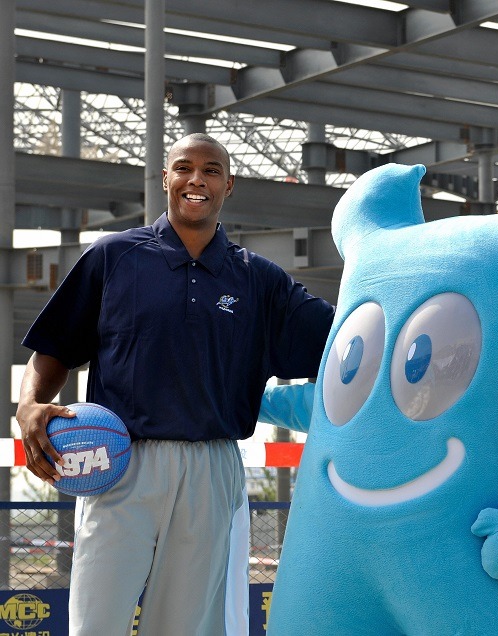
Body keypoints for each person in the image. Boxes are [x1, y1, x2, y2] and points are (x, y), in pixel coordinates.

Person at [16, 133, 335, 636]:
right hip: (119, 465)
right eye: (184, 168)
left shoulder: (259, 280)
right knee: (94, 624)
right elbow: (53, 348)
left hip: (211, 468)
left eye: (211, 170)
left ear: (228, 185)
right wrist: (29, 403)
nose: (196, 180)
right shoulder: (113, 257)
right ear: (165, 178)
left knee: (187, 629)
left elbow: (345, 339)